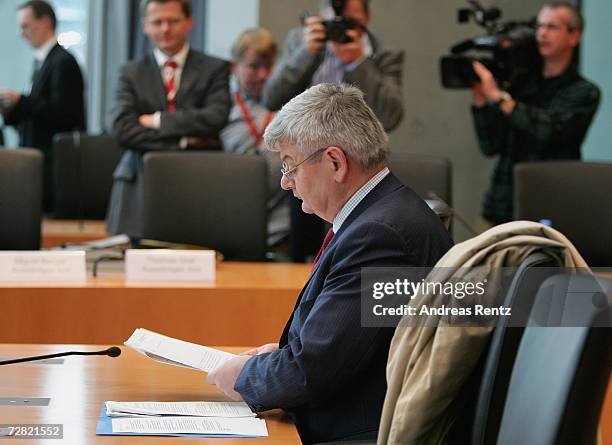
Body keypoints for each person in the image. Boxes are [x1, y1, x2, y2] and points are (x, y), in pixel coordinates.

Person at [208, 83, 453, 444]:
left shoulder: (380, 235)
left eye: (290, 166)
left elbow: (314, 371)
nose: (286, 183)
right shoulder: (381, 215)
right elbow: (353, 345)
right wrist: (282, 355)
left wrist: (243, 376)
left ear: (336, 163)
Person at [106, 0, 230, 239]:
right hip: (139, 182)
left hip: (198, 181)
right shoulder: (129, 73)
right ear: (145, 26)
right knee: (138, 268)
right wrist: (183, 142)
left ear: (189, 22)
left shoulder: (215, 68)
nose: (165, 28)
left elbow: (215, 118)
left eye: (172, 21)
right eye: (157, 22)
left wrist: (157, 121)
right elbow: (122, 129)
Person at [471, 1, 600, 229]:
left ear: (574, 36)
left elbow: (550, 129)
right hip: (500, 207)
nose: (542, 33)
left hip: (551, 207)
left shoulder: (584, 92)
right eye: (540, 26)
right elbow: (490, 145)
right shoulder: (520, 84)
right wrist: (481, 101)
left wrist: (502, 100)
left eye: (552, 27)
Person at [0, 0, 85, 213]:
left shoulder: (63, 61)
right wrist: (11, 109)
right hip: (37, 161)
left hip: (52, 166)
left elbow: (65, 115)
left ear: (45, 21)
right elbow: (36, 111)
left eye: (26, 26)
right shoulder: (42, 61)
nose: (21, 33)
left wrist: (21, 100)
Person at [220, 28, 289, 248]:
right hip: (235, 221)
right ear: (234, 67)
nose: (263, 75)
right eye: (253, 67)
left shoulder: (292, 106)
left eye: (269, 67)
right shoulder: (220, 108)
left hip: (285, 229)